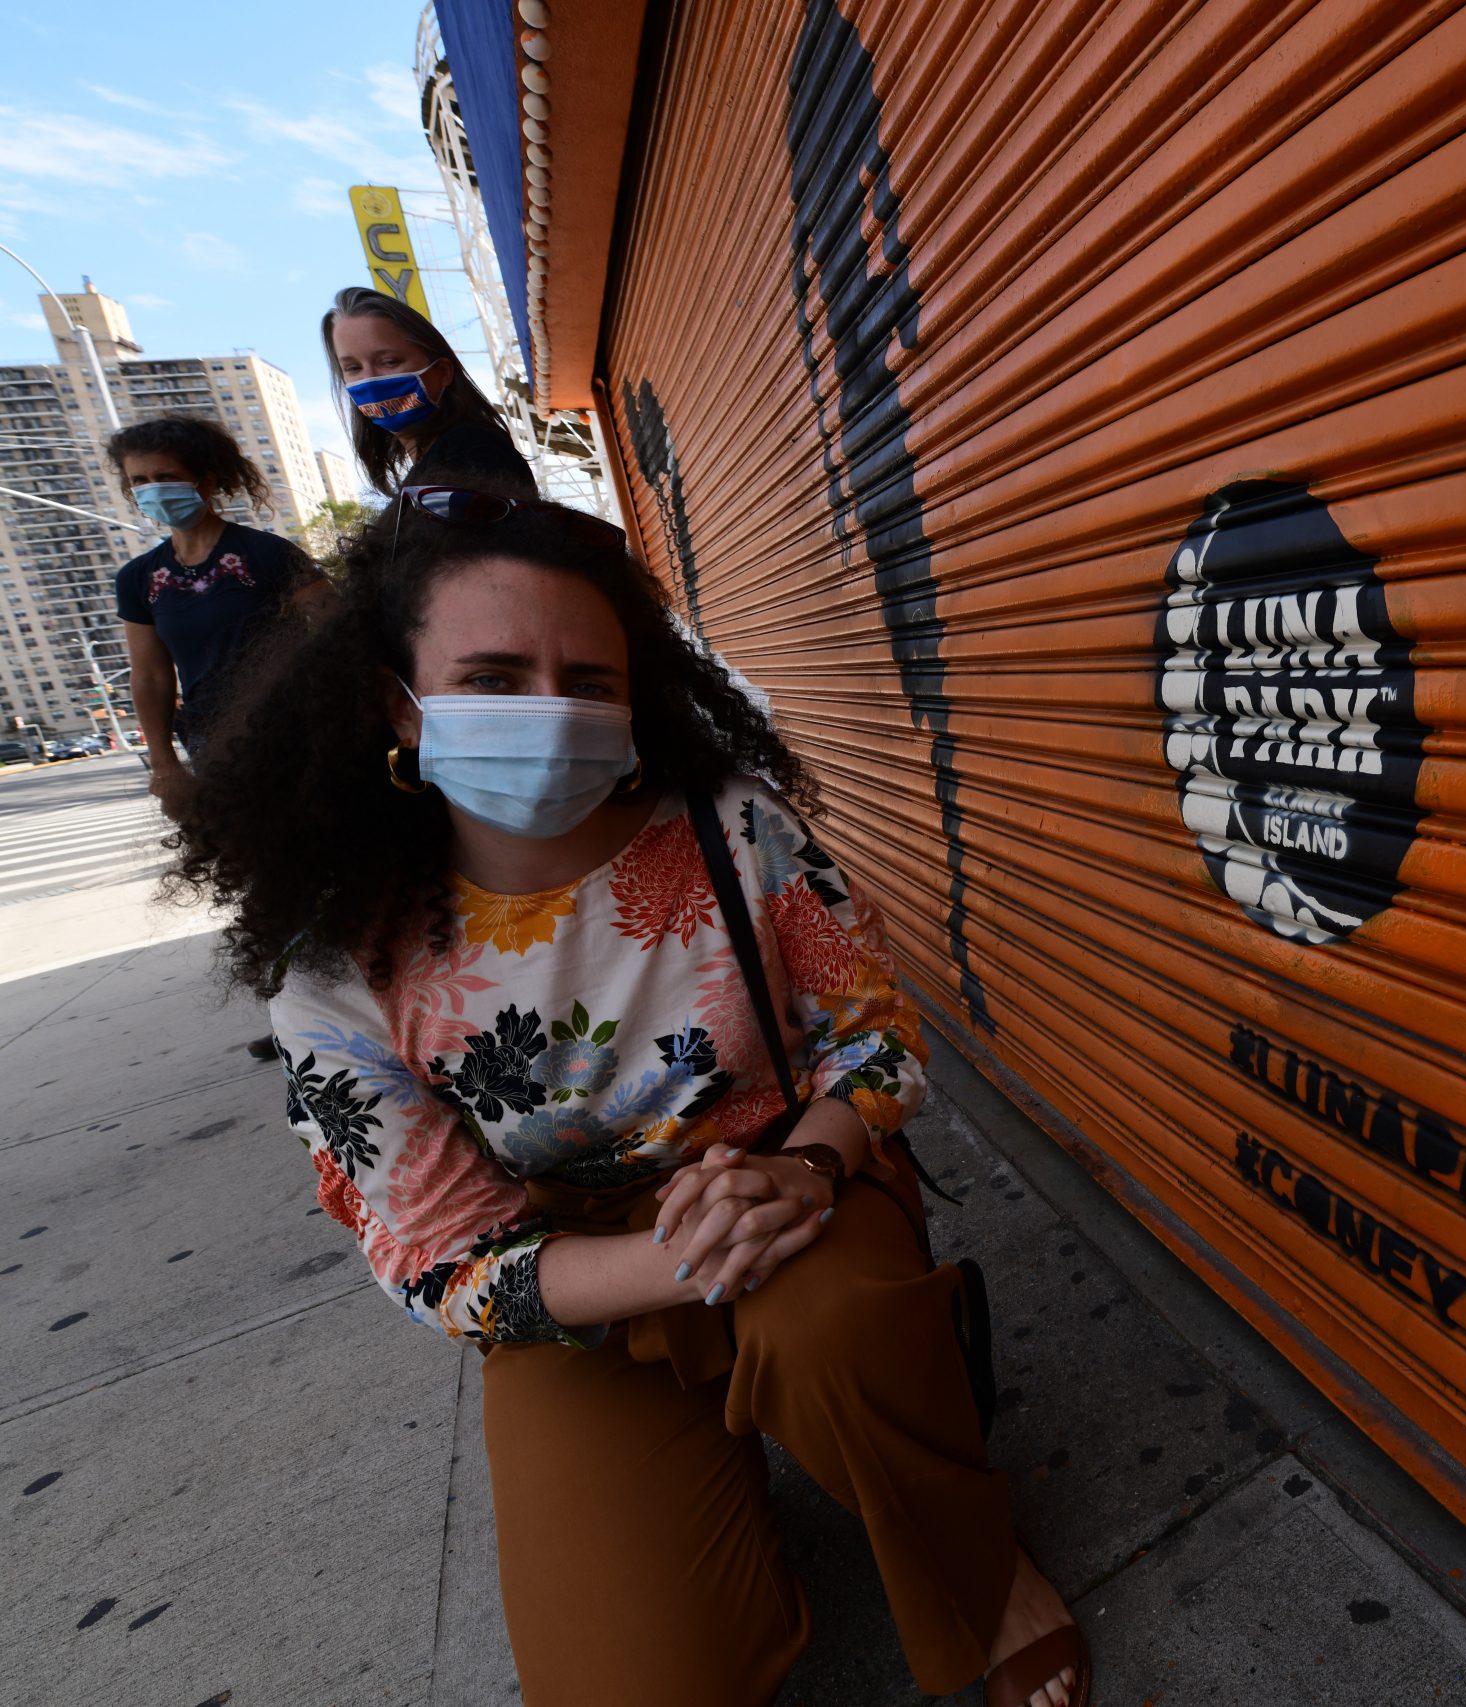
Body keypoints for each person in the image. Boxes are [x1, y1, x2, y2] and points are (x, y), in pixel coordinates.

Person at [168, 494, 1087, 1707]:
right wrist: (689, 1259)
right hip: (574, 1279)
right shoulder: (336, 965)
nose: (547, 712)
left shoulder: (731, 832)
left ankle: (976, 1556)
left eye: (585, 679)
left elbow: (874, 1042)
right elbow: (442, 1263)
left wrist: (804, 1174)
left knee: (832, 1334)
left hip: (793, 1190)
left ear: (633, 699)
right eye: (491, 678)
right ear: (402, 706)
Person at [108, 415, 322, 808]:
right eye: (139, 481)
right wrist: (165, 764)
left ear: (204, 481)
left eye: (164, 476)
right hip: (216, 749)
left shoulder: (269, 554)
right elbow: (152, 677)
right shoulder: (137, 579)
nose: (150, 489)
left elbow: (342, 633)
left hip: (306, 736)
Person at [323, 285, 537, 498]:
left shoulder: (471, 450)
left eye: (389, 361)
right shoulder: (429, 467)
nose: (369, 379)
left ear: (442, 371)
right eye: (353, 368)